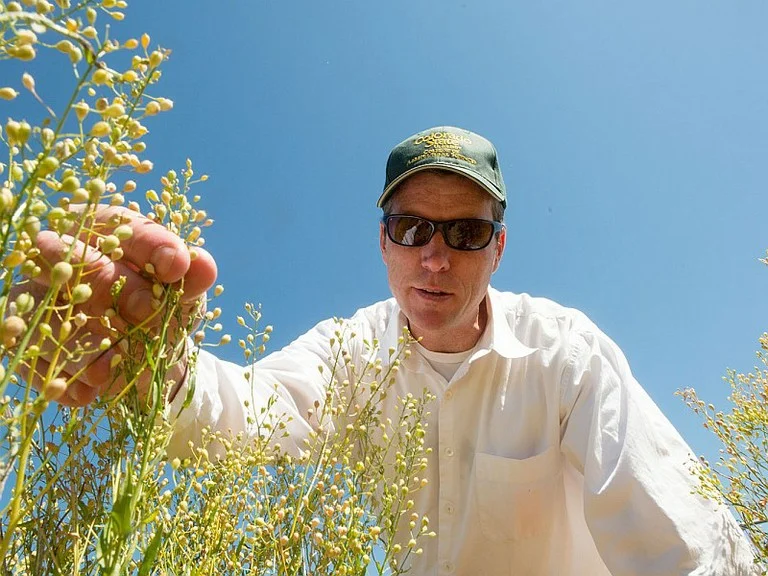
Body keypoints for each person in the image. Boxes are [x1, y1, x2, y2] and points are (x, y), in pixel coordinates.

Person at [33, 126, 758, 574]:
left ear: (498, 249)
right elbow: (247, 416)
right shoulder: (351, 353)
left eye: (465, 233)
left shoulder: (563, 353)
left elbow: (682, 545)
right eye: (412, 230)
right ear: (384, 242)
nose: (435, 259)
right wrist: (158, 366)